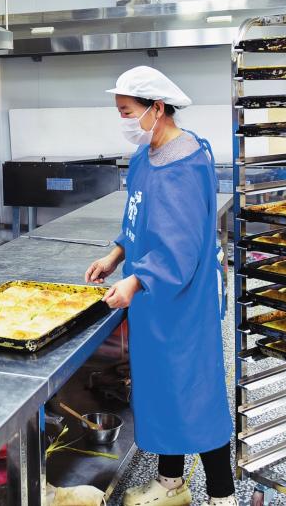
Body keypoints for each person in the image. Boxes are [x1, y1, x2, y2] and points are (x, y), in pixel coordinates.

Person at [84, 66, 234, 506]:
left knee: (195, 395)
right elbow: (138, 219)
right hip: (153, 299)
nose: (124, 121)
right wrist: (116, 255)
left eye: (127, 111)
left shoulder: (185, 164)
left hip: (182, 301)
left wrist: (136, 280)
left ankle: (223, 495)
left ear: (158, 108)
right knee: (163, 393)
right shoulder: (144, 156)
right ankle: (171, 484)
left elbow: (182, 247)